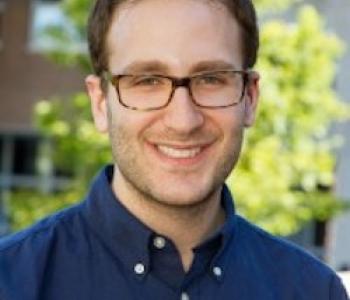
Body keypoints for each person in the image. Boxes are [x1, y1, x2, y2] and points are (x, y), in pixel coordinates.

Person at [0, 0, 348, 299]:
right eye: (147, 81)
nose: (183, 121)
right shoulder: (11, 283)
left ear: (250, 97)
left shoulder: (313, 291)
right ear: (100, 103)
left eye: (211, 78)